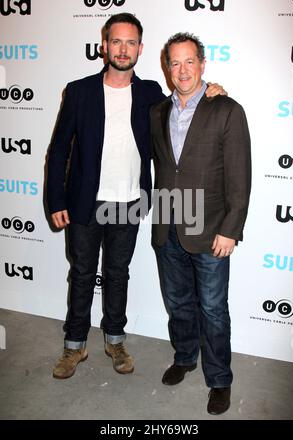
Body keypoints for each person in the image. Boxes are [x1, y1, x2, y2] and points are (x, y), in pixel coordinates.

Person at [47, 14, 226, 380]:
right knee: (82, 274)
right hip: (85, 203)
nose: (123, 49)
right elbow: (59, 148)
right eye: (117, 41)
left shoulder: (149, 95)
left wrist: (213, 92)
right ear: (104, 46)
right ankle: (74, 345)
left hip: (129, 203)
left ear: (140, 49)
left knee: (117, 274)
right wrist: (56, 200)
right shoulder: (79, 91)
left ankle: (115, 339)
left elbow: (185, 106)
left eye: (131, 43)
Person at [150, 33, 251, 415]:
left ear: (203, 64)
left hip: (211, 232)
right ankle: (184, 356)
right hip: (168, 228)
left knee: (212, 308)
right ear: (167, 67)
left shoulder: (226, 109)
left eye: (189, 61)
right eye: (174, 63)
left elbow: (240, 178)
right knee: (178, 303)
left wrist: (231, 228)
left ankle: (220, 379)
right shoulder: (157, 112)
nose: (182, 70)